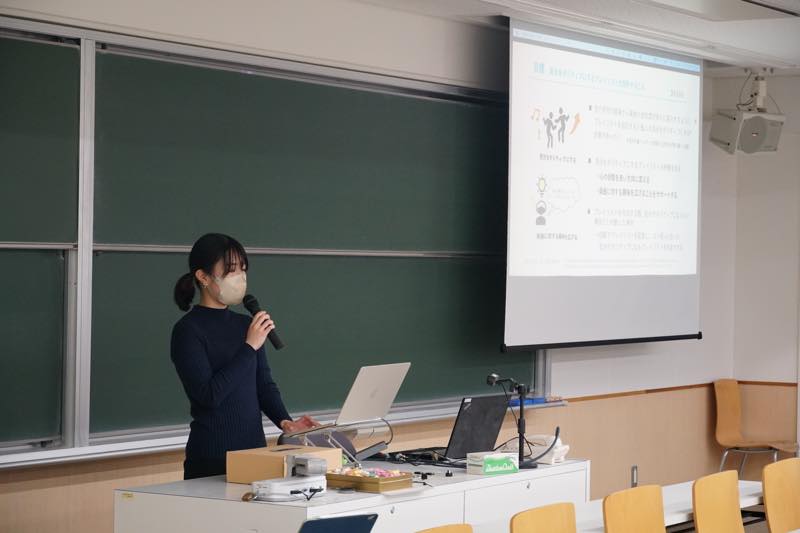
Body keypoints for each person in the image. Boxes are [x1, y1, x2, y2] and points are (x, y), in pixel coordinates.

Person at [171, 233, 317, 479]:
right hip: (212, 459)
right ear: (203, 276)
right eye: (231, 270)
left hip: (254, 453)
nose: (240, 277)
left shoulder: (245, 325)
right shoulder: (188, 330)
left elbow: (263, 385)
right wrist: (249, 347)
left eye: (243, 269)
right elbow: (208, 396)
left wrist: (285, 422)